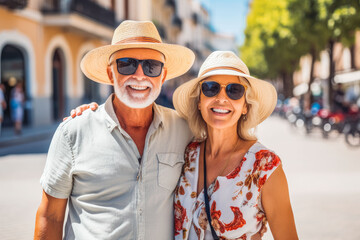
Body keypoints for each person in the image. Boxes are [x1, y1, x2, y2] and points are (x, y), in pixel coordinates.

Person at [34, 20, 195, 240]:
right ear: (111, 74)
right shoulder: (73, 132)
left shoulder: (185, 129)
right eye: (127, 64)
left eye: (152, 66)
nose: (140, 75)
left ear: (163, 75)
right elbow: (50, 216)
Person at [172, 51, 298, 239]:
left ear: (245, 106)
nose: (222, 98)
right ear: (199, 101)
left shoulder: (265, 166)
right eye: (211, 88)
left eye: (234, 90)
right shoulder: (186, 154)